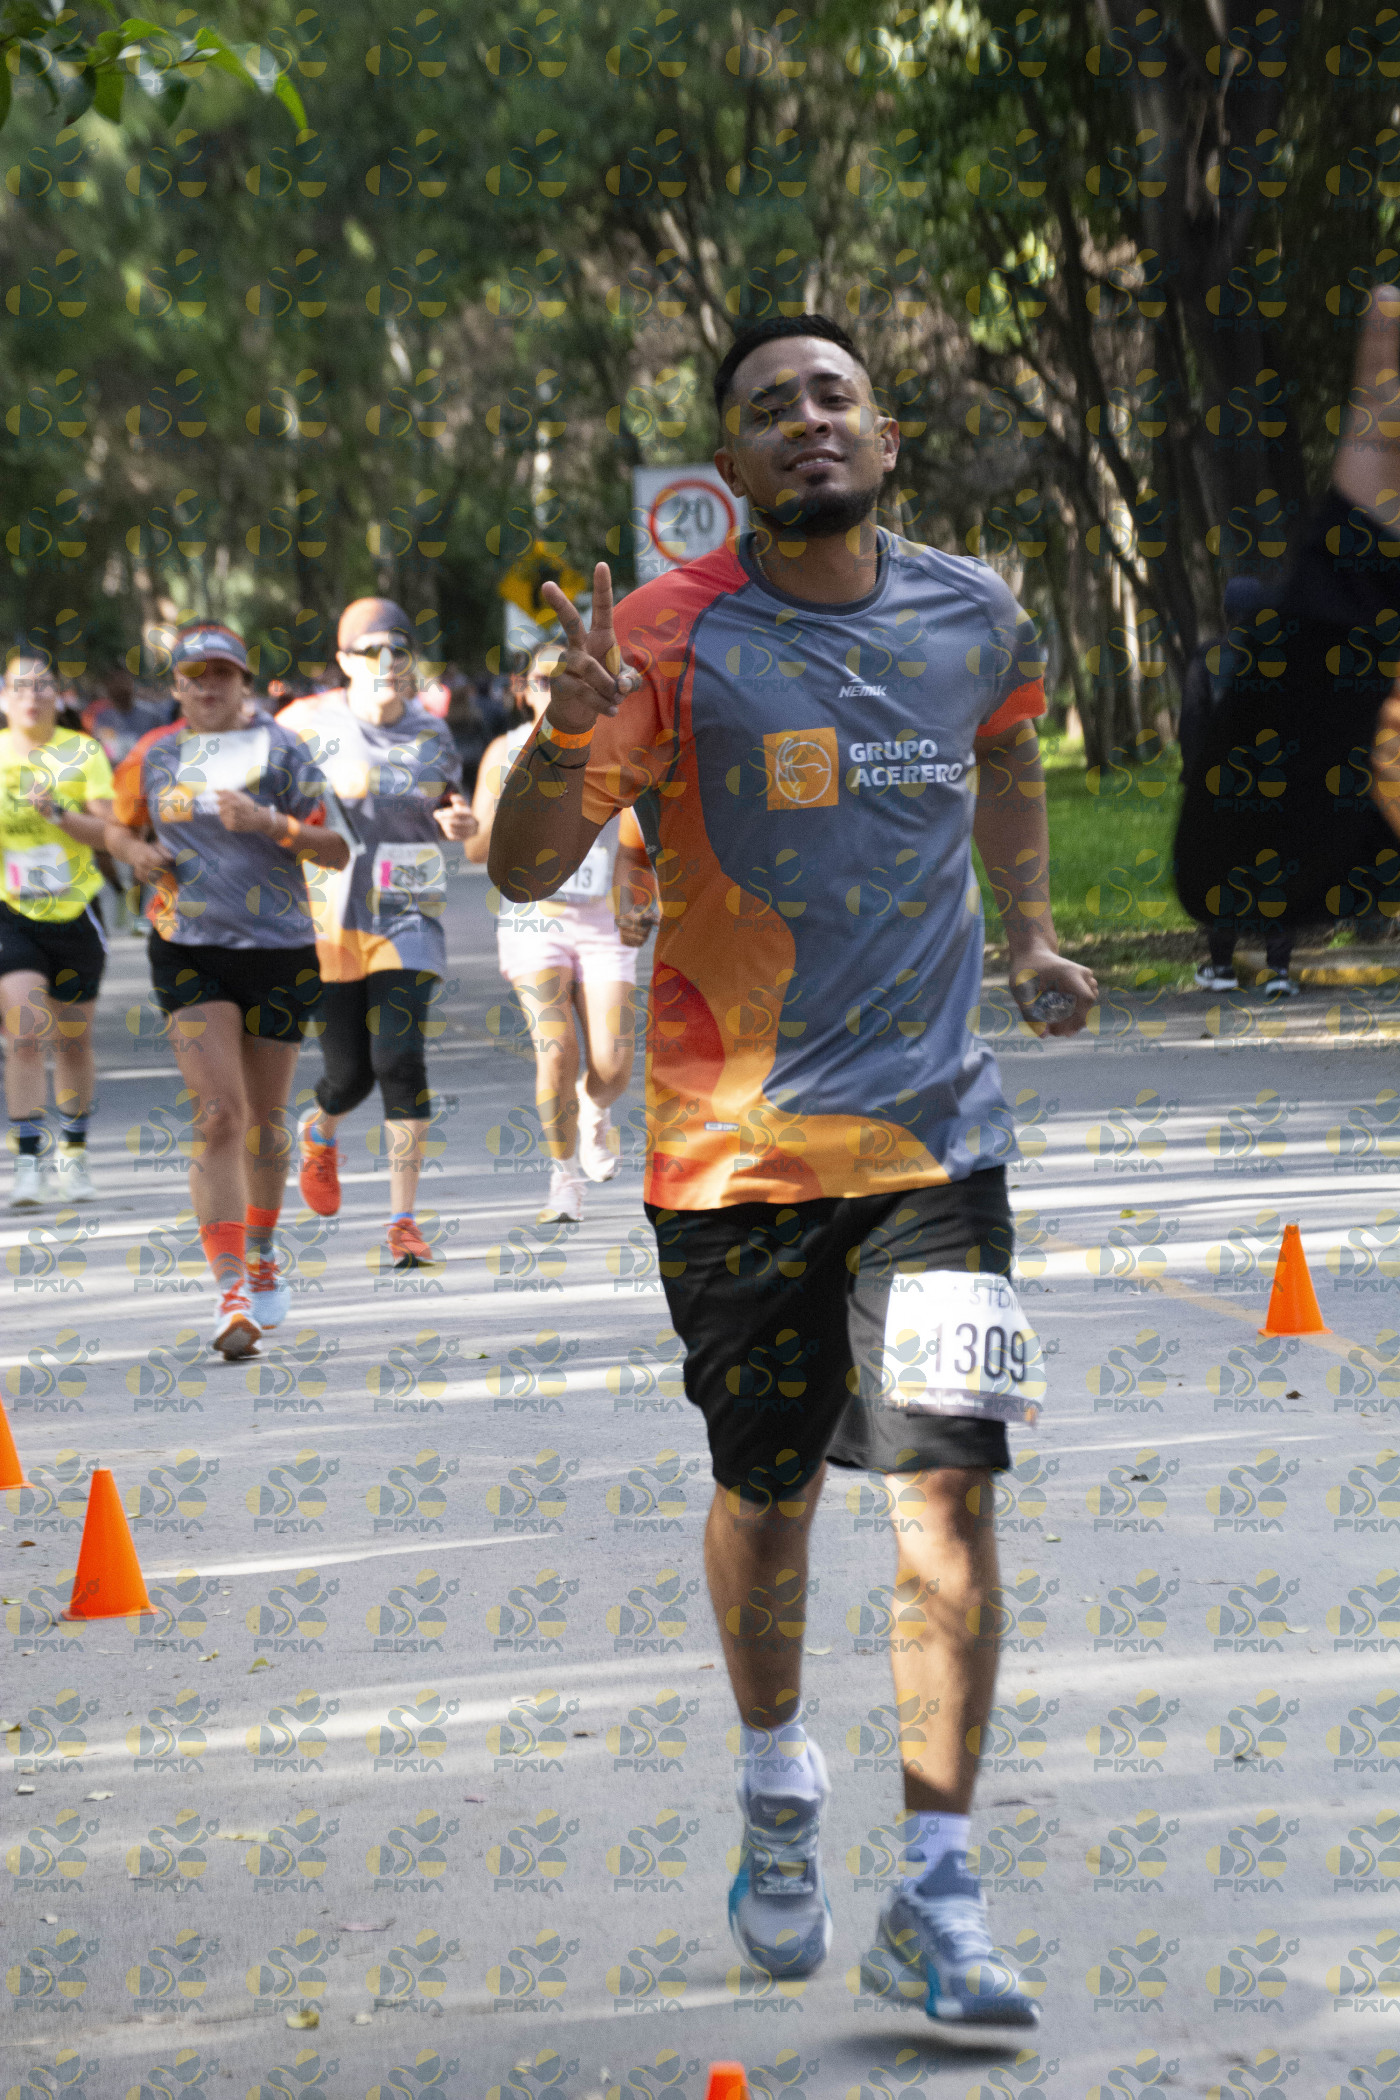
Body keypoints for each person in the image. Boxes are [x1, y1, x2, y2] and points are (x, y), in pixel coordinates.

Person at [488, 313, 1097, 2044]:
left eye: (835, 396)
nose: (808, 421)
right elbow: (527, 869)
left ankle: (939, 1895)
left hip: (936, 1145)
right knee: (769, 1500)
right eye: (771, 408)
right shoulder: (659, 641)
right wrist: (562, 742)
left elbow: (1008, 753)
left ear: (887, 437)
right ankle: (776, 1781)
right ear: (730, 469)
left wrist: (1032, 932)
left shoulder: (975, 613)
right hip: (733, 1159)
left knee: (949, 1500)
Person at [105, 620, 349, 1357]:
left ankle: (264, 1248)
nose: (208, 686)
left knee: (263, 1121)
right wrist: (136, 852)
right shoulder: (154, 754)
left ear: (243, 682)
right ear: (177, 688)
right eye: (194, 676)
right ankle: (231, 1286)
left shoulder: (284, 750)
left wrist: (273, 824)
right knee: (219, 1114)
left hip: (279, 949)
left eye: (222, 673)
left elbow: (337, 848)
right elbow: (117, 829)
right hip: (188, 946)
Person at [278, 598, 478, 1270]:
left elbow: (448, 801)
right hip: (329, 918)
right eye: (371, 651)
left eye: (399, 649)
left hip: (407, 909)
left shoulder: (432, 731)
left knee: (398, 1058)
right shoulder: (302, 723)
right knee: (349, 1076)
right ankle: (320, 1128)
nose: (387, 663)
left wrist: (459, 820)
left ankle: (403, 1222)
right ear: (344, 661)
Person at [468, 642, 657, 1223]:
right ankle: (564, 1177)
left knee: (613, 1066)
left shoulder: (617, 746)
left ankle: (594, 1108)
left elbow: (634, 849)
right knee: (555, 1048)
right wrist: (512, 808)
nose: (557, 690)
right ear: (524, 692)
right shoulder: (505, 751)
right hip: (534, 920)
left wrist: (636, 905)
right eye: (544, 681)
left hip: (600, 922)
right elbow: (476, 849)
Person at [0, 652, 115, 1208]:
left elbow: (109, 832)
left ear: (58, 696)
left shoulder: (83, 751)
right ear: (4, 699)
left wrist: (59, 813)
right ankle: (28, 1165)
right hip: (11, 911)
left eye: (42, 685)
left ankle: (74, 1154)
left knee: (72, 1040)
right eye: (19, 686)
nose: (32, 695)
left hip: (75, 912)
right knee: (25, 1034)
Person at [1180, 578, 1299, 997]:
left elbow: (1192, 724)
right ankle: (1279, 971)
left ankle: (1222, 968)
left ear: (1227, 613)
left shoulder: (1208, 658)